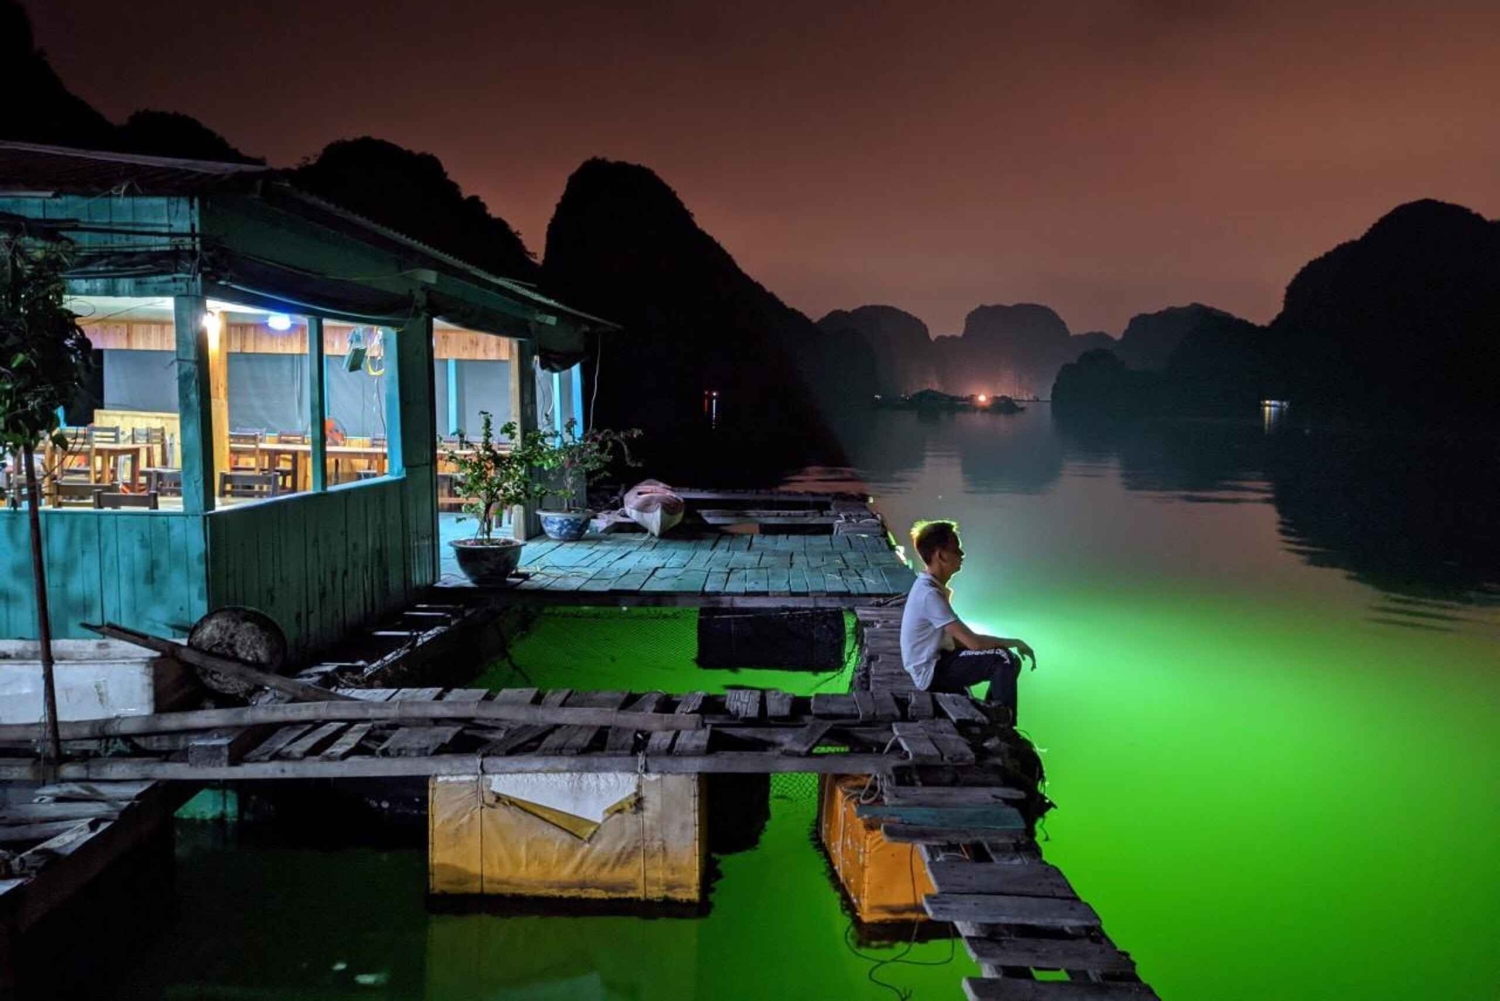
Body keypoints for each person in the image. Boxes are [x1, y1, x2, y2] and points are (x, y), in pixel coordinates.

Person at [899, 520, 1035, 710]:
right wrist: (1016, 642)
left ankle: (995, 713)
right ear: (941, 555)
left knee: (1004, 657)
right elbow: (974, 643)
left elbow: (960, 642)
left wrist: (984, 648)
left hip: (940, 660)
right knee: (1004, 658)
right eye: (956, 550)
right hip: (931, 672)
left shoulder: (930, 587)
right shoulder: (929, 595)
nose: (962, 555)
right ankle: (1003, 723)